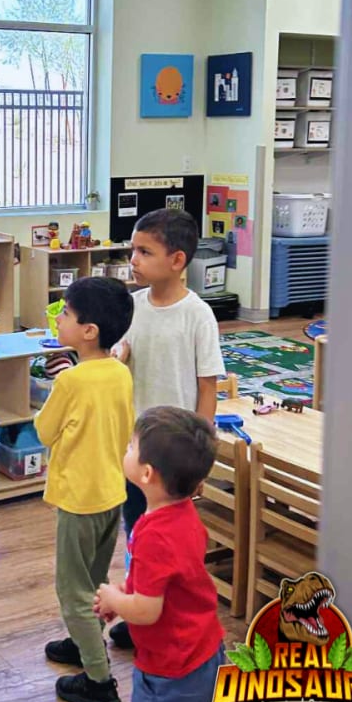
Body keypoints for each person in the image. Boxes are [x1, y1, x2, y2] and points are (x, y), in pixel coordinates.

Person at [110, 208, 225, 649]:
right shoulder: (132, 307)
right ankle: (138, 609)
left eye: (144, 252)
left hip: (175, 453)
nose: (133, 260)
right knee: (136, 532)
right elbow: (120, 360)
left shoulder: (197, 314)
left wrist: (202, 456)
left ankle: (164, 614)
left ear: (177, 260)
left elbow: (207, 387)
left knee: (169, 539)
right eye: (133, 250)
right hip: (137, 449)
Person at [33, 277, 135, 702]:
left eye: (66, 314)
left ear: (88, 331)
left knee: (73, 591)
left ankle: (99, 681)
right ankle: (83, 641)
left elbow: (43, 431)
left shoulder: (72, 381)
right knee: (93, 581)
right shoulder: (119, 371)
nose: (58, 319)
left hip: (79, 500)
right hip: (112, 494)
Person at [93, 407, 226, 702]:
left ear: (147, 473)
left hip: (172, 672)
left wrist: (114, 597)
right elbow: (170, 579)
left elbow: (147, 611)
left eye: (131, 446)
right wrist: (128, 593)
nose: (126, 449)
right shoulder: (182, 514)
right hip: (203, 652)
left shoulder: (155, 535)